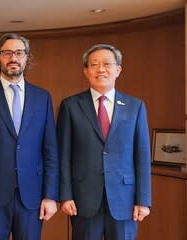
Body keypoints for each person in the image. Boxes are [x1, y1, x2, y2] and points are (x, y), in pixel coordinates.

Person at [0, 33, 60, 240]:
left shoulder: (42, 98)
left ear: (27, 58)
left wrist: (50, 195)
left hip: (32, 197)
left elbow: (50, 150)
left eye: (19, 53)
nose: (13, 58)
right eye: (7, 53)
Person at [57, 44, 151, 240]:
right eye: (94, 64)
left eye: (107, 64)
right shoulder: (70, 106)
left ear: (118, 70)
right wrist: (65, 195)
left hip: (125, 199)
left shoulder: (135, 107)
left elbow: (142, 156)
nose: (101, 69)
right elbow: (63, 155)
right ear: (86, 71)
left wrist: (143, 200)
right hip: (83, 199)